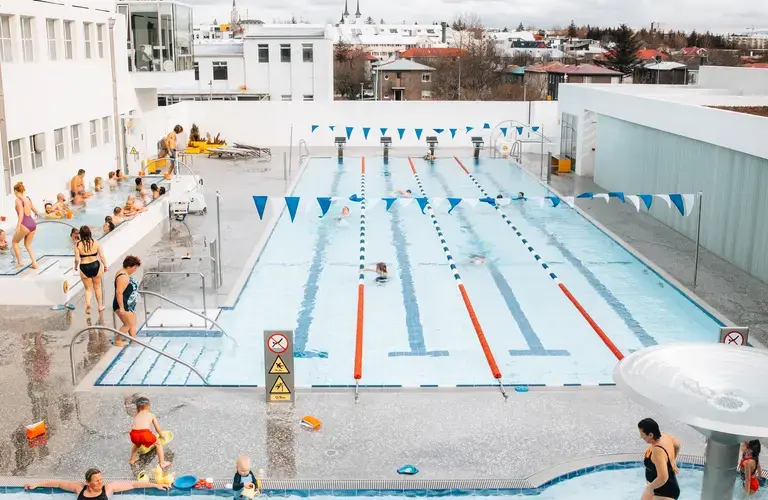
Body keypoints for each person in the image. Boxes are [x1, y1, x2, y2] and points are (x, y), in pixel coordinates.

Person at [24, 468, 169, 497]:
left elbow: (133, 484)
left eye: (101, 479)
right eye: (97, 481)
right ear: (88, 482)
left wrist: (155, 485)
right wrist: (37, 484)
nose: (101, 482)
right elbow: (58, 484)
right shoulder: (79, 488)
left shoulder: (108, 489)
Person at [638, 418, 680, 500]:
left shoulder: (658, 451)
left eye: (642, 434)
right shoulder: (665, 437)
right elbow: (678, 444)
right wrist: (673, 460)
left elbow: (663, 478)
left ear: (650, 435)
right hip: (659, 488)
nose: (640, 436)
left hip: (665, 493)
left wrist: (649, 488)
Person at [128, 397, 171, 468]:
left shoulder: (136, 416)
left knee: (135, 445)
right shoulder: (151, 415)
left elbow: (133, 427)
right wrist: (162, 435)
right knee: (158, 444)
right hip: (145, 434)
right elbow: (157, 429)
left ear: (137, 409)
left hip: (134, 434)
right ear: (148, 407)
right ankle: (162, 463)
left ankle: (132, 460)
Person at [75, 226, 107, 314]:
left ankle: (88, 304)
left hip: (84, 266)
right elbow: (102, 256)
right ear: (90, 233)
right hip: (95, 265)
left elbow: (77, 259)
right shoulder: (96, 243)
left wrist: (76, 266)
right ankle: (100, 306)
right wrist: (105, 266)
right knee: (97, 287)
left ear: (81, 234)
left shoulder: (78, 245)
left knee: (88, 289)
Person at [113, 255, 141, 347]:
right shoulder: (123, 277)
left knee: (132, 322)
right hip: (122, 304)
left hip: (128, 304)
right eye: (134, 268)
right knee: (128, 324)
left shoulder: (123, 272)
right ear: (128, 266)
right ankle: (117, 341)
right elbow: (119, 293)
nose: (134, 270)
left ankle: (134, 341)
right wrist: (121, 308)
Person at [12, 182, 39, 269]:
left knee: (14, 242)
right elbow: (34, 209)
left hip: (25, 224)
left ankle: (20, 262)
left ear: (16, 191)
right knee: (27, 244)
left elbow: (21, 214)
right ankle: (34, 263)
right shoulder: (27, 198)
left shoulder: (18, 200)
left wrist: (18, 225)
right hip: (32, 224)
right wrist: (36, 213)